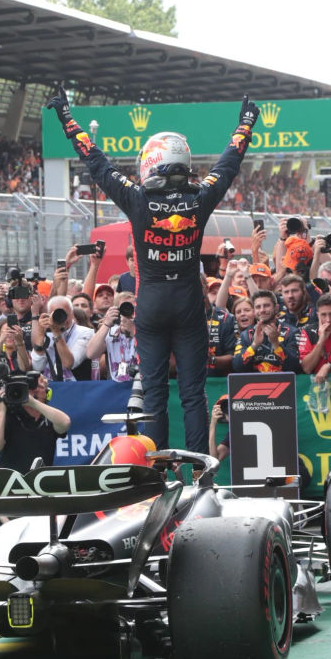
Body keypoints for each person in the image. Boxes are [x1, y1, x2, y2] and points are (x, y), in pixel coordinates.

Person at [47, 87, 258, 451]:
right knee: (193, 394)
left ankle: (159, 469)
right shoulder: (199, 196)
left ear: (150, 162)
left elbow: (96, 162)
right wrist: (245, 125)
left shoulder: (137, 197)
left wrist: (68, 119)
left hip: (152, 305)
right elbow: (228, 165)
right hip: (190, 305)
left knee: (155, 393)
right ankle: (196, 471)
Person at [0, 372, 71, 472]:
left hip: (40, 481)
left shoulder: (50, 417)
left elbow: (65, 422)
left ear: (47, 392)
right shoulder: (9, 413)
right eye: (30, 387)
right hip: (10, 481)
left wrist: (33, 402)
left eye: (39, 387)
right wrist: (2, 411)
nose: (34, 390)